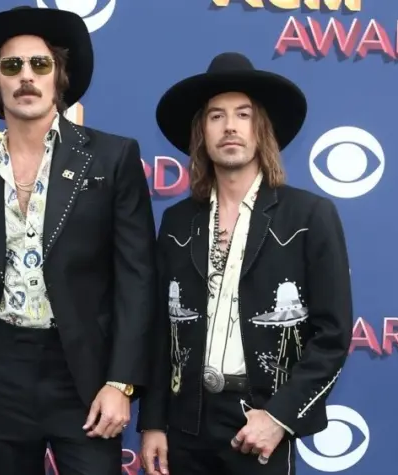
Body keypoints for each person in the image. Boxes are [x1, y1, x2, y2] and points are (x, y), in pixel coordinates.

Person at [0, 6, 157, 475]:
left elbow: (137, 279)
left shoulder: (112, 157)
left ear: (60, 78)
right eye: (11, 66)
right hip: (1, 370)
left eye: (40, 64)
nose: (26, 77)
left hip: (85, 372)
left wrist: (121, 382)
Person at [138, 52, 353, 475]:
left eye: (243, 114)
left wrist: (278, 417)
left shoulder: (309, 216)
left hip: (260, 420)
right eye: (216, 116)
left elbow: (332, 336)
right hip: (186, 422)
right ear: (202, 133)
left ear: (262, 130)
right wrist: (153, 423)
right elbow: (161, 331)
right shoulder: (178, 222)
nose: (231, 126)